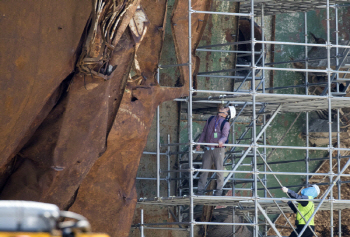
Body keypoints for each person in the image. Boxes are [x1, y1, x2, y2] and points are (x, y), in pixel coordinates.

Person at [195, 105, 231, 196]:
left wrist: (221, 141)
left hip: (218, 150)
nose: (222, 109)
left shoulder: (225, 123)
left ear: (226, 114)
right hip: (208, 148)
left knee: (219, 171)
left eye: (225, 109)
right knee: (204, 171)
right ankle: (200, 191)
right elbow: (204, 132)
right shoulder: (211, 119)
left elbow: (225, 136)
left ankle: (219, 192)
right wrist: (199, 143)